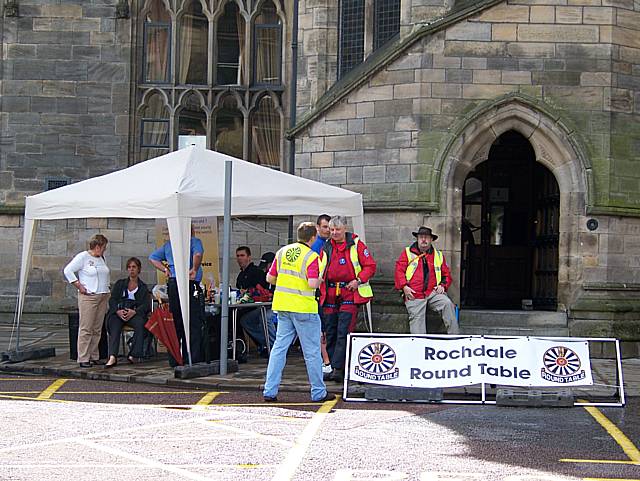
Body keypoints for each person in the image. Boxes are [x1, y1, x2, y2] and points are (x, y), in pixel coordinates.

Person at [263, 222, 335, 403]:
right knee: (311, 352)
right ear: (312, 238)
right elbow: (312, 283)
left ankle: (269, 391)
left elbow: (270, 278)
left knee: (279, 349)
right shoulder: (311, 256)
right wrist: (320, 279)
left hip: (283, 306)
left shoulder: (282, 252)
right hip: (304, 308)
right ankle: (318, 392)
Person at [320, 215, 376, 383]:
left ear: (345, 229)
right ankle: (332, 366)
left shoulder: (357, 244)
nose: (334, 233)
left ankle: (339, 368)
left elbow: (370, 266)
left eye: (337, 230)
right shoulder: (326, 246)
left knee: (344, 330)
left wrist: (358, 281)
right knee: (330, 331)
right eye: (331, 230)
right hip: (330, 292)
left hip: (350, 292)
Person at [149, 226, 204, 365]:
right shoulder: (194, 241)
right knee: (192, 321)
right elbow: (197, 255)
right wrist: (194, 269)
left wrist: (165, 270)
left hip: (173, 283)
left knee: (175, 321)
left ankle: (174, 359)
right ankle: (192, 358)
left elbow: (153, 258)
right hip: (190, 283)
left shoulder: (169, 245)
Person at [394, 226, 459, 335]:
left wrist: (443, 285)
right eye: (421, 237)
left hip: (433, 292)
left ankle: (455, 339)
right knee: (417, 325)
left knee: (447, 304)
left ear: (431, 239)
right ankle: (419, 349)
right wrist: (404, 287)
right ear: (417, 239)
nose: (423, 239)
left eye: (426, 237)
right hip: (414, 293)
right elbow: (399, 271)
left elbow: (446, 274)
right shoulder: (407, 253)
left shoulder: (438, 255)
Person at [63, 234, 110, 368]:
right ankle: (83, 357)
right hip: (89, 296)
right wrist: (78, 285)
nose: (104, 250)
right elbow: (68, 270)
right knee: (86, 327)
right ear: (97, 246)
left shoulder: (101, 258)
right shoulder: (83, 257)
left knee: (97, 328)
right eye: (103, 247)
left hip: (103, 294)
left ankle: (94, 355)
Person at [105, 257, 152, 368]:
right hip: (119, 311)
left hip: (134, 312)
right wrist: (117, 311)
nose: (131, 270)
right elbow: (112, 299)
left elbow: (146, 305)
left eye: (134, 267)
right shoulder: (120, 284)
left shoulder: (143, 287)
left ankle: (133, 354)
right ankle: (112, 356)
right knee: (115, 325)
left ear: (138, 269)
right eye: (129, 267)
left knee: (141, 324)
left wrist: (134, 311)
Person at [238, 251, 276, 356]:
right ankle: (266, 343)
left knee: (265, 317)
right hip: (266, 305)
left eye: (267, 266)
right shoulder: (265, 276)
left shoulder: (281, 276)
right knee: (246, 320)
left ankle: (276, 348)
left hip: (281, 306)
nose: (265, 269)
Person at [310, 214, 333, 378]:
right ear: (318, 228)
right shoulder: (318, 246)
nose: (328, 230)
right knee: (320, 329)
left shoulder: (328, 244)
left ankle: (325, 362)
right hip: (317, 292)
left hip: (326, 293)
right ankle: (325, 362)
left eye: (329, 227)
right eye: (325, 227)